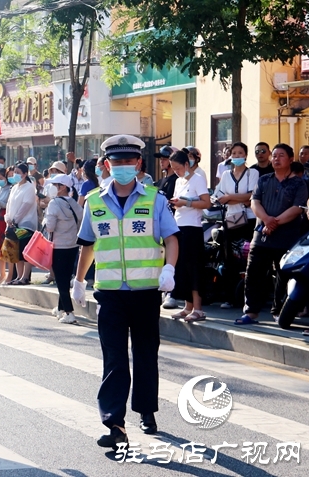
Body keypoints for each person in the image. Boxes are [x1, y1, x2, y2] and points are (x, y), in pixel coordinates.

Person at [72, 134, 178, 450]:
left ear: (138, 164)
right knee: (114, 359)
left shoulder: (155, 199)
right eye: (116, 162)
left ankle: (146, 410)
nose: (122, 167)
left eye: (128, 162)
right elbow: (88, 245)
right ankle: (114, 424)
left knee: (145, 354)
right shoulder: (93, 201)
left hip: (145, 291)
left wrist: (169, 269)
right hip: (110, 293)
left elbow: (172, 238)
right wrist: (78, 281)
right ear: (106, 165)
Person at [240, 144, 308, 325]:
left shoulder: (298, 183)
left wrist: (273, 222)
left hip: (286, 237)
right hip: (261, 235)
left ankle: (278, 311)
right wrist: (266, 220)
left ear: (291, 159)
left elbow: (296, 209)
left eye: (281, 155)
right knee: (253, 273)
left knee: (282, 276)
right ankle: (251, 312)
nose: (276, 159)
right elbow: (255, 202)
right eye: (275, 155)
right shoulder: (264, 180)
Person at [213, 142, 259, 308]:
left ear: (246, 155)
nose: (237, 156)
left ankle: (249, 298)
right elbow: (219, 196)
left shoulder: (252, 173)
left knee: (248, 259)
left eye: (240, 153)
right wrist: (241, 198)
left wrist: (230, 197)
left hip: (249, 220)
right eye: (234, 153)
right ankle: (230, 298)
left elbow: (253, 195)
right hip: (231, 220)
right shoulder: (225, 175)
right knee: (229, 259)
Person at [167, 150, 210, 322]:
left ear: (187, 164)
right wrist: (177, 203)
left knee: (194, 268)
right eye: (173, 169)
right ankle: (188, 306)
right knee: (183, 268)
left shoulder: (198, 179)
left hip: (193, 227)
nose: (176, 171)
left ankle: (198, 308)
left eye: (178, 167)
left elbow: (206, 202)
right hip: (179, 225)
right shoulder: (178, 181)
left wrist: (187, 202)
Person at [43, 174, 83, 324]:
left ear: (62, 187)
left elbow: (50, 227)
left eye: (55, 185)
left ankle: (69, 312)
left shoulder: (54, 204)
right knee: (65, 278)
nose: (53, 188)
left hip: (58, 246)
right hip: (73, 245)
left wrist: (46, 219)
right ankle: (60, 309)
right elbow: (81, 220)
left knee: (60, 280)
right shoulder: (73, 202)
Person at [5, 163, 38, 285]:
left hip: (25, 224)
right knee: (17, 251)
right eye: (15, 172)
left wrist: (15, 220)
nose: (15, 174)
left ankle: (25, 276)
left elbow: (26, 205)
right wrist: (8, 218)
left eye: (19, 172)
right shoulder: (15, 187)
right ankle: (19, 276)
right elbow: (9, 204)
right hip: (13, 224)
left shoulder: (29, 187)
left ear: (25, 174)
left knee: (25, 251)